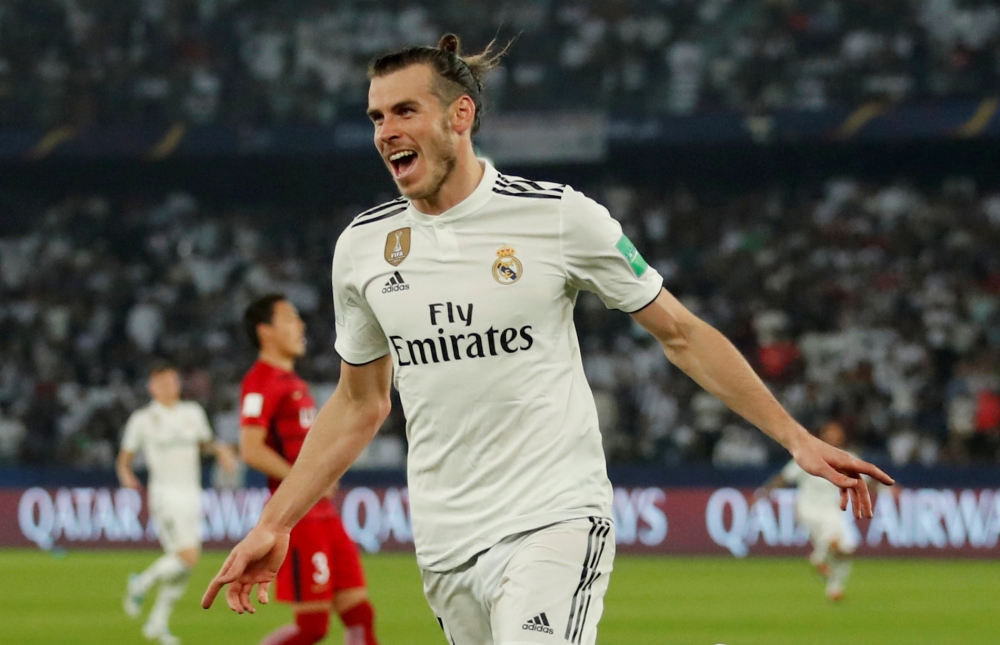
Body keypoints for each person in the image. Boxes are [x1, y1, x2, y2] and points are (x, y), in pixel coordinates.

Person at [203, 34, 894, 644]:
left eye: (405, 111)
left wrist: (795, 437)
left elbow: (680, 333)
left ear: (460, 116)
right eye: (377, 116)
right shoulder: (362, 248)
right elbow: (359, 404)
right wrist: (274, 521)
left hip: (553, 515)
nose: (386, 131)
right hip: (445, 540)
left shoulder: (558, 217)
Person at [238, 294, 379, 645]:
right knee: (313, 627)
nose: (300, 326)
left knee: (360, 614)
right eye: (290, 318)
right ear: (265, 331)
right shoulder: (260, 382)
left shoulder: (295, 384)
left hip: (325, 514)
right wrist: (306, 480)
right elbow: (251, 449)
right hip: (297, 518)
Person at [118, 361, 237, 645]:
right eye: (162, 382)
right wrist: (125, 475)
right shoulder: (143, 419)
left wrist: (220, 449)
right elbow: (125, 458)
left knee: (184, 563)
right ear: (152, 387)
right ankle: (141, 582)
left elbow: (203, 442)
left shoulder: (192, 413)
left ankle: (157, 625)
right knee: (188, 556)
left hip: (192, 493)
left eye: (172, 381)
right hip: (165, 495)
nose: (168, 387)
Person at [757, 421, 892, 602]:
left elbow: (867, 480)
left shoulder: (848, 458)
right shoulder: (809, 453)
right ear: (823, 435)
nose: (834, 437)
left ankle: (834, 588)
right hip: (808, 508)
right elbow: (785, 477)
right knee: (834, 541)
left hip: (832, 511)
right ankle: (817, 557)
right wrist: (764, 492)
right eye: (830, 433)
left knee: (846, 549)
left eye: (837, 433)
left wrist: (888, 489)